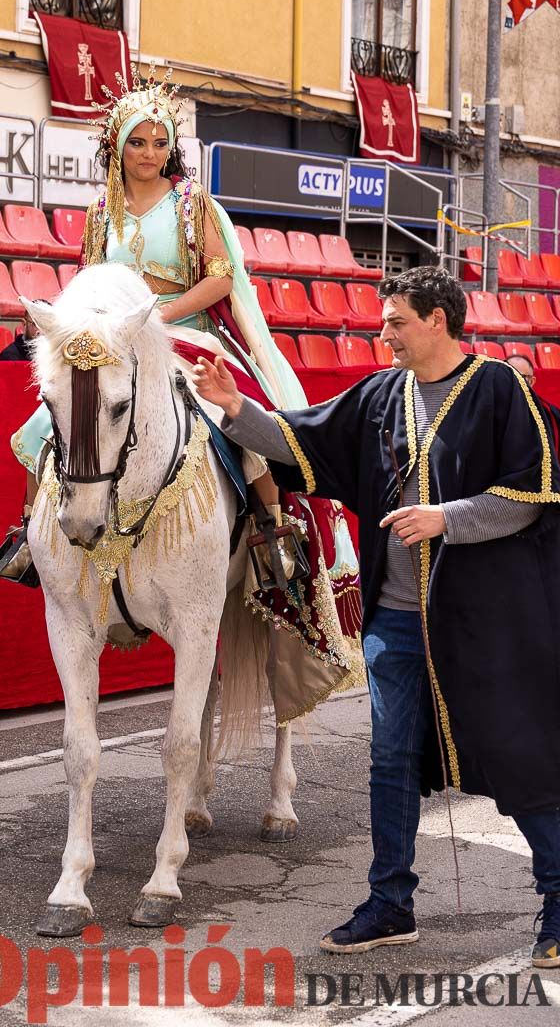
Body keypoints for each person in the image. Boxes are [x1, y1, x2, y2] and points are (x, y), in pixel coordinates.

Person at [192, 265, 560, 967]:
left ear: (438, 321)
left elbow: (531, 494)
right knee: (390, 763)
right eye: (383, 320)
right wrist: (238, 410)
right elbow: (306, 442)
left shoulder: (499, 389)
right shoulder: (380, 393)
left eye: (395, 321)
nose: (381, 332)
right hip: (394, 625)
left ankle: (559, 896)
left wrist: (445, 517)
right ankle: (389, 903)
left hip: (485, 624)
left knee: (517, 753)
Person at [9, 69, 363, 724]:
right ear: (116, 147)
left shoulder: (193, 204)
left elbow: (219, 283)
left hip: (186, 334)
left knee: (233, 420)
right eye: (136, 142)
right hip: (115, 340)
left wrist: (157, 320)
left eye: (157, 142)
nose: (147, 152)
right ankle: (28, 538)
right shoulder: (98, 214)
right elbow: (88, 284)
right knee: (43, 424)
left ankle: (270, 531)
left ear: (169, 148)